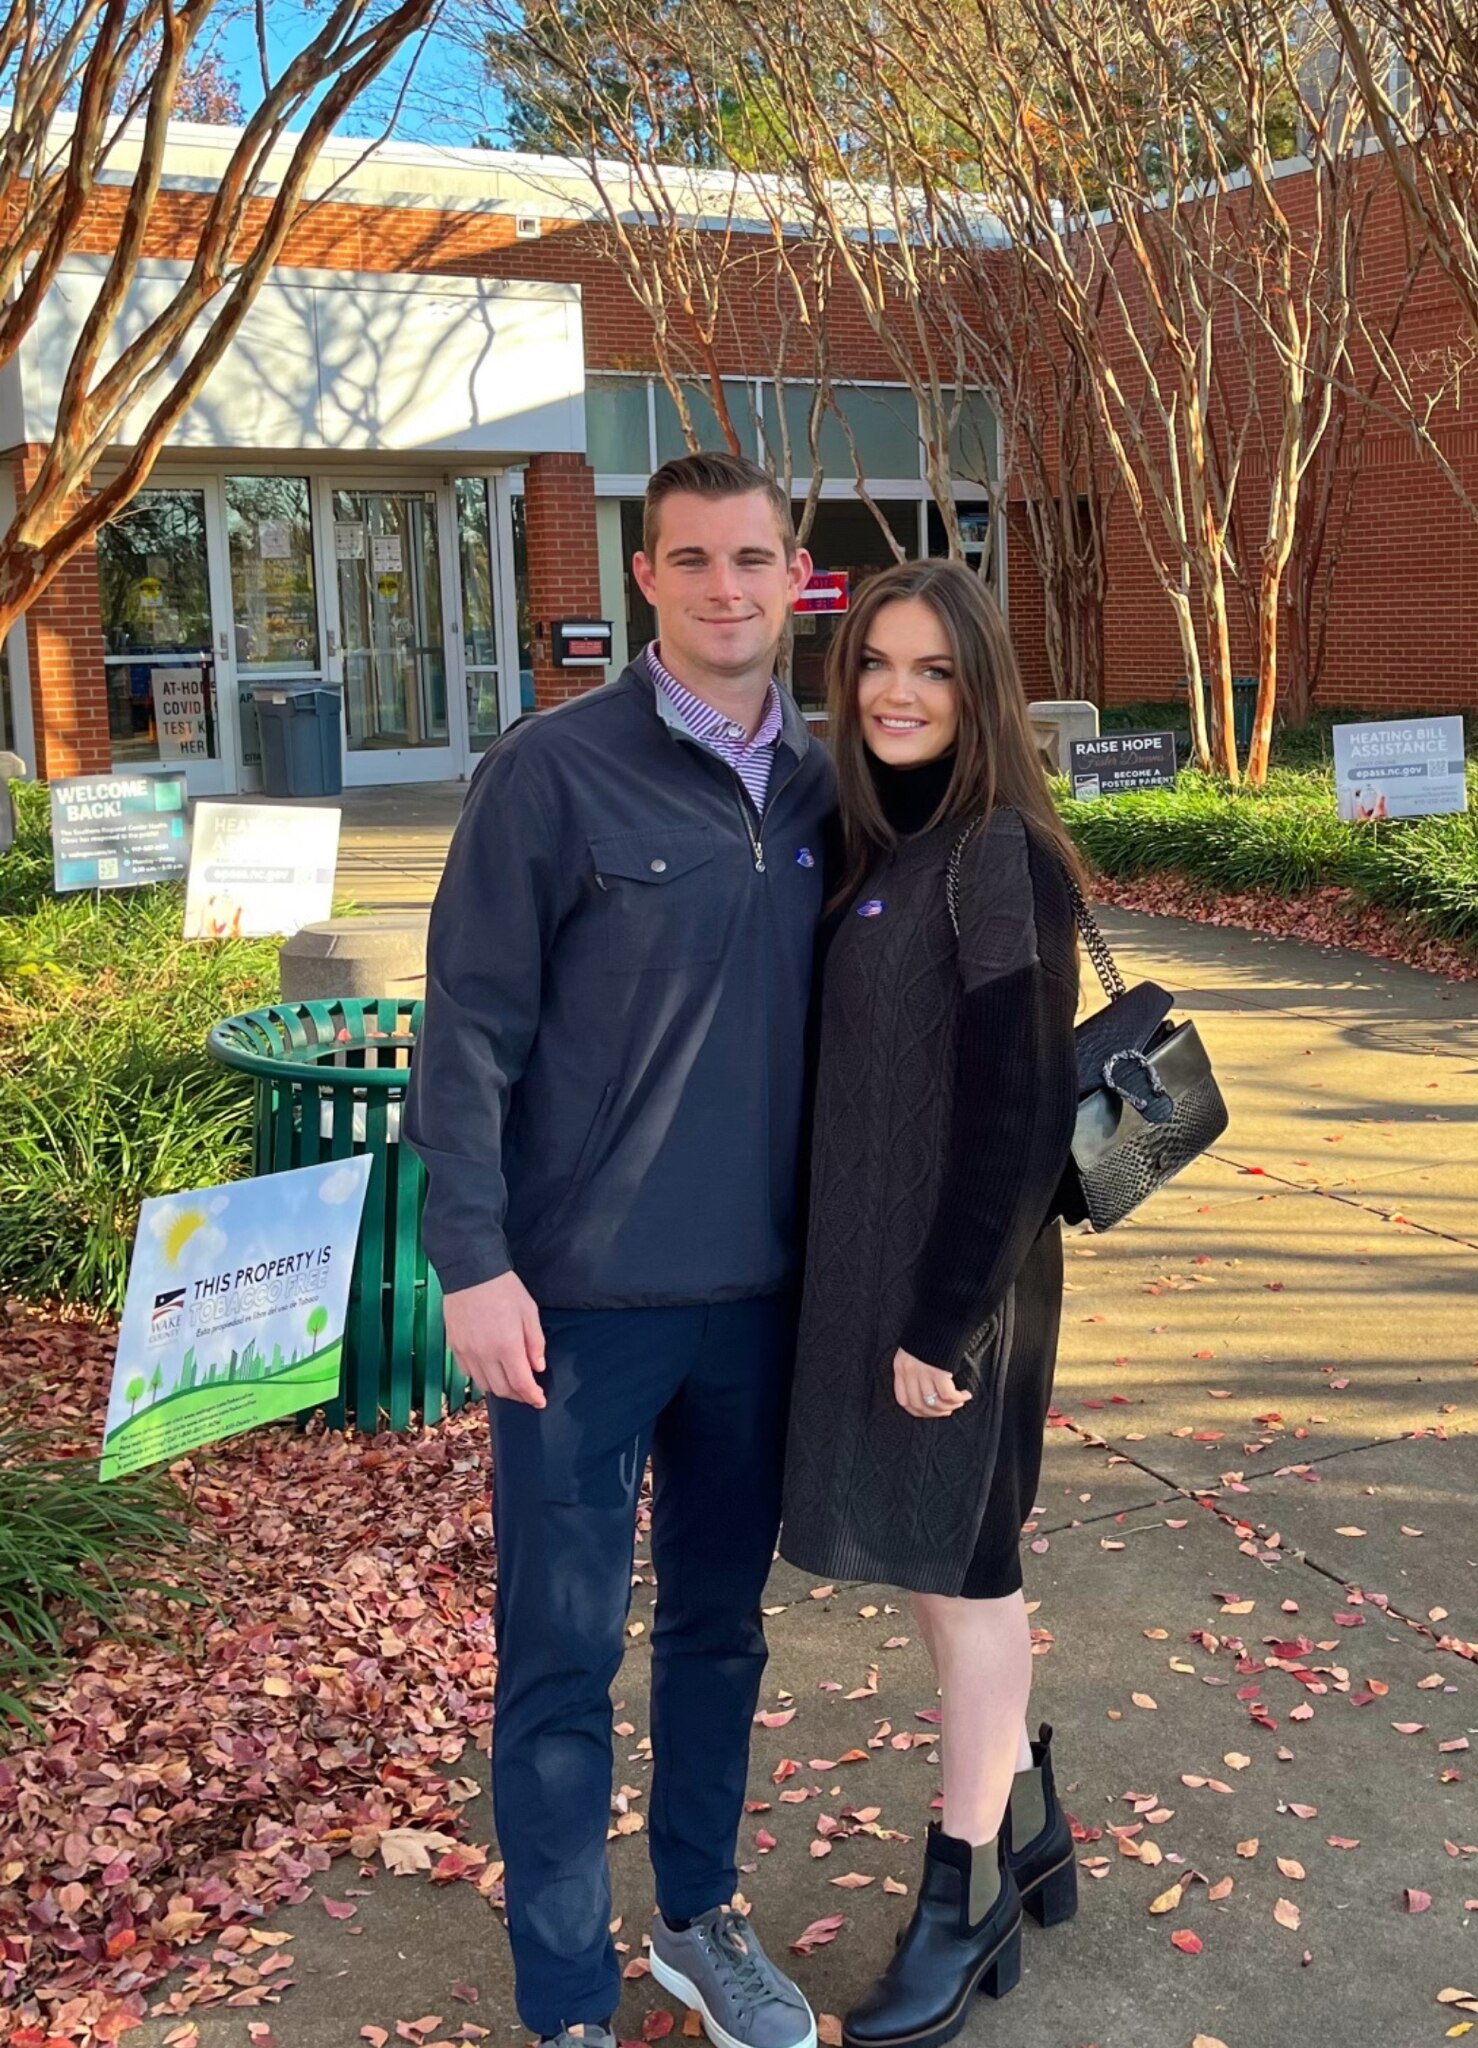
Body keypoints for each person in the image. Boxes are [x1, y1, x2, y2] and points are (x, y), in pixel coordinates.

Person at [404, 451, 837, 2048]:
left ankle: (699, 1920)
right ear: (642, 579)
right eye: (694, 559)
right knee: (562, 1659)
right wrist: (471, 1261)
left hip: (760, 1301)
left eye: (757, 559)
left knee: (722, 1628)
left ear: (798, 579)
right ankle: (568, 1999)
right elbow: (467, 1034)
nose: (729, 586)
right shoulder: (552, 773)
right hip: (574, 1309)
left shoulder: (829, 784)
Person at [777, 559, 1083, 2048]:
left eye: (934, 671)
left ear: (981, 691)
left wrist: (944, 1323)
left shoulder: (1000, 858)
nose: (898, 691)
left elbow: (1020, 1110)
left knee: (969, 1581)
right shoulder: (882, 844)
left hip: (962, 1293)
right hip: (878, 1279)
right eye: (878, 664)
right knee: (936, 1568)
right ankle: (1025, 1821)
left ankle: (958, 1899)